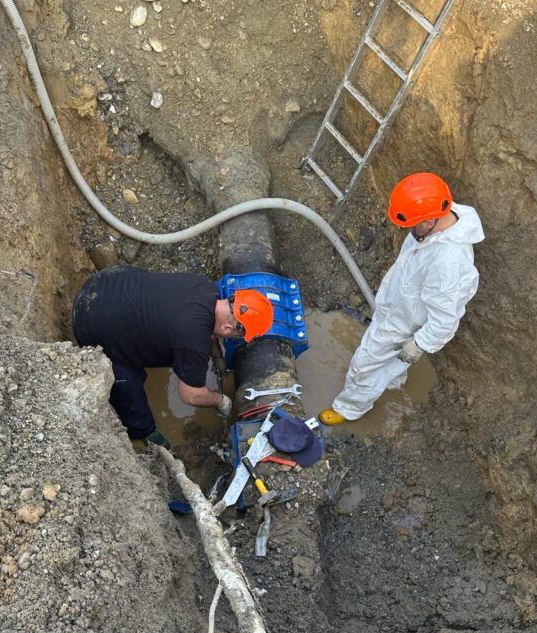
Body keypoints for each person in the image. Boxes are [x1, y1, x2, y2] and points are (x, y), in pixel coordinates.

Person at [319, 172, 484, 425]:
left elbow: (445, 320)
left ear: (429, 221)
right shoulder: (439, 218)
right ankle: (393, 382)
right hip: (398, 309)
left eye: (411, 225)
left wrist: (419, 345)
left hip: (402, 322)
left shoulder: (447, 263)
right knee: (394, 361)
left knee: (363, 365)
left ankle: (349, 408)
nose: (407, 230)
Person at [72, 264, 274, 448]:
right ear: (228, 327)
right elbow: (190, 394)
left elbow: (206, 326)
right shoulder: (194, 341)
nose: (237, 338)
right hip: (90, 322)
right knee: (128, 385)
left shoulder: (204, 287)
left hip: (106, 281)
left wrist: (218, 358)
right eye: (238, 335)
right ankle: (145, 435)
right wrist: (220, 400)